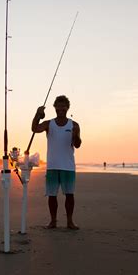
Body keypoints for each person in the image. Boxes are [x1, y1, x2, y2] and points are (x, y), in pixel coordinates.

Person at [31, 95, 81, 230]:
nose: (60, 108)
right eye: (58, 106)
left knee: (69, 195)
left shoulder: (74, 125)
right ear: (55, 107)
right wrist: (37, 114)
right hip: (52, 165)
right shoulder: (49, 123)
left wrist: (75, 135)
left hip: (68, 166)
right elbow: (34, 129)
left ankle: (70, 221)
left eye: (63, 106)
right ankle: (53, 221)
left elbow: (77, 145)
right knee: (52, 195)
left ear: (67, 107)